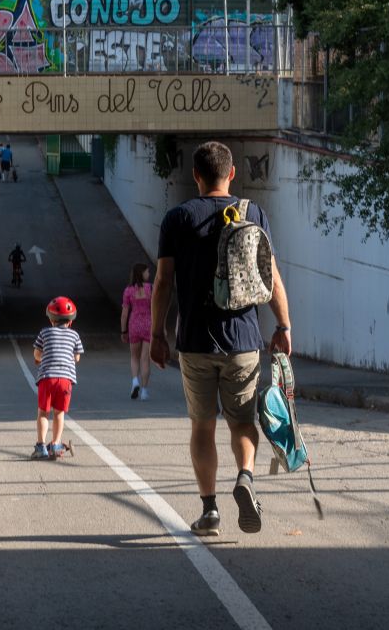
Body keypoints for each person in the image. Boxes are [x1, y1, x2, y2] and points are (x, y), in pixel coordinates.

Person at [150, 141, 292, 537]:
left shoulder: (177, 218)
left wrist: (157, 333)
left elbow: (162, 282)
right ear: (232, 174)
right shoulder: (254, 212)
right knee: (243, 422)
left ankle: (209, 509)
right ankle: (245, 476)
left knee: (202, 426)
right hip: (244, 340)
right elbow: (272, 276)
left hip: (194, 341)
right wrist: (283, 327)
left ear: (195, 176)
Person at [31, 296, 84, 460]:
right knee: (59, 413)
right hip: (65, 380)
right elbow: (77, 358)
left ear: (51, 320)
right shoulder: (74, 335)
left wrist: (39, 359)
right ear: (70, 321)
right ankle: (55, 444)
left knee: (43, 413)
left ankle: (41, 446)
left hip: (47, 378)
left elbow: (37, 354)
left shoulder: (44, 332)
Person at [121, 263, 154, 401]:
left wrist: (123, 331)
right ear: (141, 273)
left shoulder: (128, 291)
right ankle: (144, 391)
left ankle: (135, 381)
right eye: (147, 272)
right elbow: (155, 308)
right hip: (148, 324)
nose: (149, 274)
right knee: (145, 359)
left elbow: (124, 313)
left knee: (134, 357)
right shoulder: (150, 288)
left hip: (134, 324)